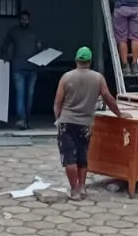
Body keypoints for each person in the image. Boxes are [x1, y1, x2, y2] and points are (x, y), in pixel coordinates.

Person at [53, 46, 126, 201]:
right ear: (90, 61)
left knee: (69, 158)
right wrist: (119, 114)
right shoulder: (98, 78)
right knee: (82, 156)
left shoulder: (66, 77)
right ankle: (83, 187)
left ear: (76, 60)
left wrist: (58, 119)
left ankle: (74, 190)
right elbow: (109, 98)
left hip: (67, 122)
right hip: (85, 124)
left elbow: (57, 102)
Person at [0, 10, 41, 130]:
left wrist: (40, 49)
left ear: (29, 19)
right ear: (19, 20)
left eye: (26, 19)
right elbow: (4, 45)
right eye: (22, 19)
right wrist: (4, 57)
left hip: (32, 68)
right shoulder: (13, 31)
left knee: (30, 96)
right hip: (18, 68)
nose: (24, 21)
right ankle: (22, 119)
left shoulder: (34, 32)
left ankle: (26, 119)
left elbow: (39, 48)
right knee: (20, 95)